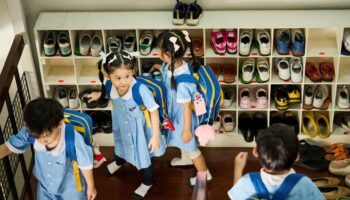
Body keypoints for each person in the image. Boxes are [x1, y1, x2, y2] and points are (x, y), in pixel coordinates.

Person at [88, 50, 166, 199]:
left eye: (127, 76)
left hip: (141, 130)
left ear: (133, 72)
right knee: (120, 143)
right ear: (108, 75)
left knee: (145, 155)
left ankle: (148, 181)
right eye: (118, 77)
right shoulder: (110, 85)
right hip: (121, 125)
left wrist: (156, 136)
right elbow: (106, 92)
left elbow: (154, 111)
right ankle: (119, 161)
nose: (123, 81)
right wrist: (98, 95)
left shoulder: (140, 90)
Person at [0, 98, 96, 200]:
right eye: (37, 137)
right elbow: (8, 147)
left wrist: (91, 186)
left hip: (71, 188)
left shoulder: (73, 139)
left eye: (47, 136)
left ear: (60, 123)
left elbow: (85, 165)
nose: (42, 141)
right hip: (45, 187)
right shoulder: (32, 132)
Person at [152, 29, 212, 186]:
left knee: (191, 148)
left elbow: (186, 108)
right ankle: (185, 158)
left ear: (167, 54)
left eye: (159, 50)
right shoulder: (172, 64)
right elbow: (166, 73)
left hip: (183, 119)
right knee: (182, 142)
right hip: (175, 115)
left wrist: (186, 130)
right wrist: (158, 67)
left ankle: (204, 175)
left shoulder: (183, 82)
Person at [228, 124, 324, 200]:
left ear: (255, 152)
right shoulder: (304, 184)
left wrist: (238, 168)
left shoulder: (247, 181)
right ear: (297, 156)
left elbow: (236, 196)